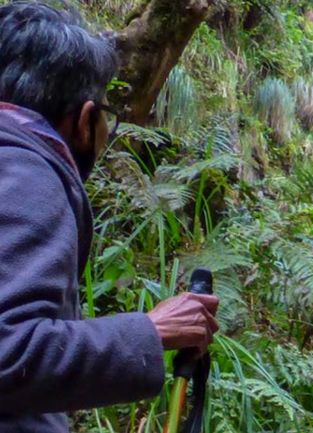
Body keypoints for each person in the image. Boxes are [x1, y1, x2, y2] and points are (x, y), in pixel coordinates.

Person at [0, 2, 220, 432]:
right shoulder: (24, 171)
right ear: (85, 119)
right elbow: (8, 352)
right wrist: (152, 332)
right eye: (107, 113)